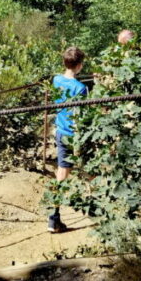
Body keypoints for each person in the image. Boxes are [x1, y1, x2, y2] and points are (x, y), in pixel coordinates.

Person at [48, 46, 87, 234]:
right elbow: (80, 115)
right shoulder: (81, 88)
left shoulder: (56, 80)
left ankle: (53, 218)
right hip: (72, 135)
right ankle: (54, 218)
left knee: (62, 173)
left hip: (60, 131)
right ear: (79, 66)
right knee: (66, 174)